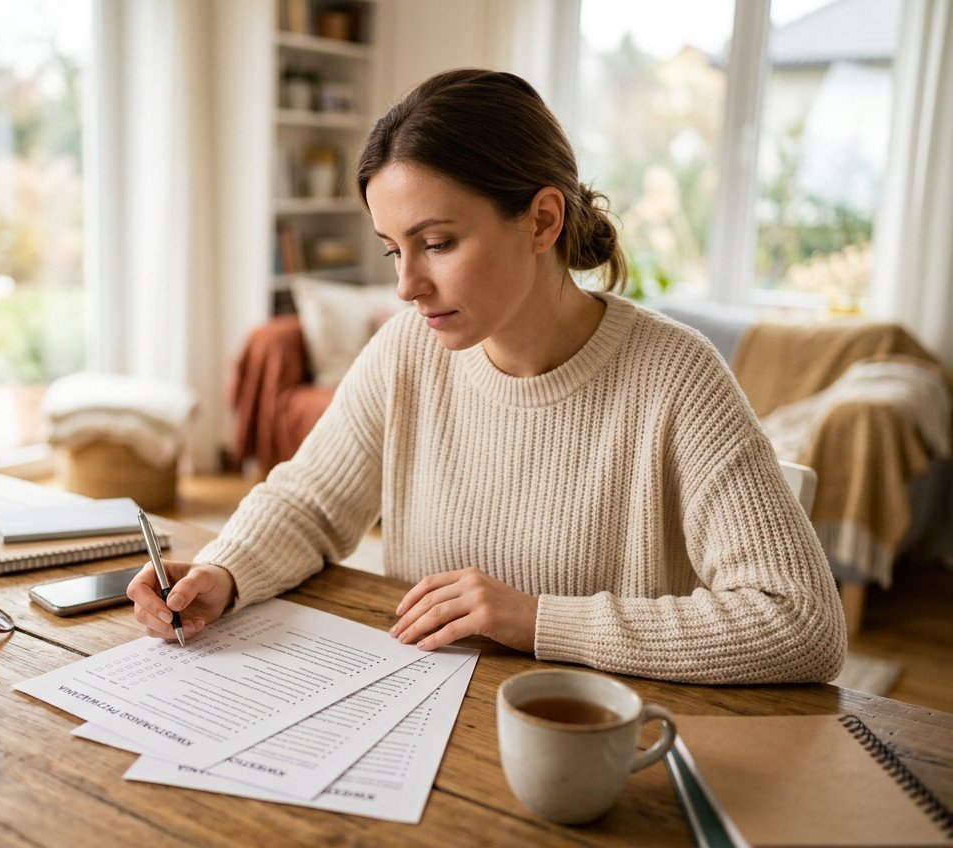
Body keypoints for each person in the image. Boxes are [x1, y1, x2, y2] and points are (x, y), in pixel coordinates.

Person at [127, 68, 846, 684]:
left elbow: (801, 622)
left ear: (540, 221)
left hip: (592, 750)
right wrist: (224, 572)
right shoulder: (410, 349)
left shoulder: (676, 377)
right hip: (422, 720)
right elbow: (311, 503)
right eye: (392, 251)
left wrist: (538, 620)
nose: (408, 285)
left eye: (437, 243)